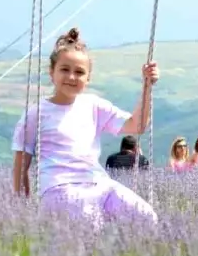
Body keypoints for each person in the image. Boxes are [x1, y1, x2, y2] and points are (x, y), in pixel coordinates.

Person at [11, 27, 159, 226]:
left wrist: (147, 87)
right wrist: (24, 212)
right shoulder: (35, 114)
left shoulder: (94, 106)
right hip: (60, 188)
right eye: (65, 69)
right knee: (90, 233)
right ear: (51, 72)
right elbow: (21, 168)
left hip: (100, 184)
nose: (71, 77)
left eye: (79, 72)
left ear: (88, 78)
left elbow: (137, 125)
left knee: (147, 219)